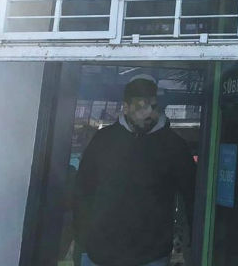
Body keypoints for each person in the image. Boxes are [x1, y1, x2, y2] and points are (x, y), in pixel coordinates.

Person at [73, 75, 196, 266]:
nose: (148, 113)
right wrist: (82, 242)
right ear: (126, 107)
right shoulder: (103, 140)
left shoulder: (174, 146)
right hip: (98, 253)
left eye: (153, 106)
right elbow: (82, 191)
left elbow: (191, 197)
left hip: (151, 255)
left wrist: (189, 247)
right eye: (141, 106)